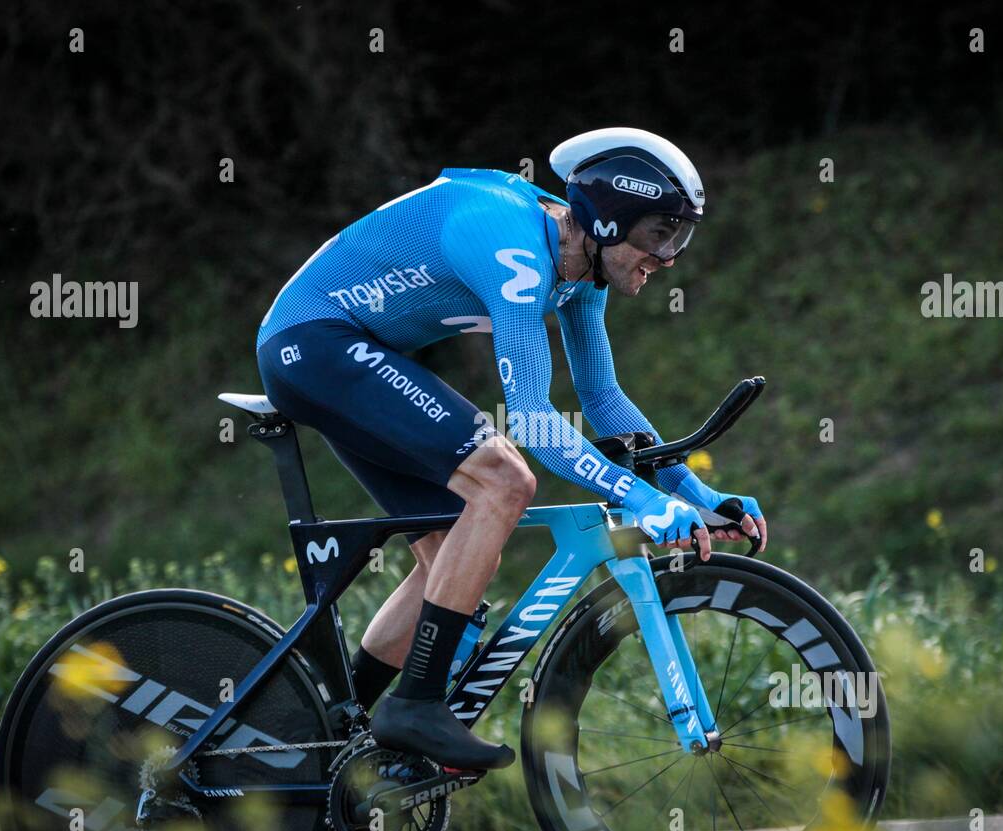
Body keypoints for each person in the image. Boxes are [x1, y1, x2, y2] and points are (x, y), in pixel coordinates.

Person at [255, 128, 766, 770]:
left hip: (346, 351)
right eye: (660, 234)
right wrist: (639, 499)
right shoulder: (514, 245)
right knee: (504, 480)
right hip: (314, 343)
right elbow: (528, 416)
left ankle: (324, 738)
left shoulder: (582, 270)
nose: (668, 257)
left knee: (453, 555)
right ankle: (414, 706)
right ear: (609, 216)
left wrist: (697, 495)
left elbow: (602, 399)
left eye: (679, 238)